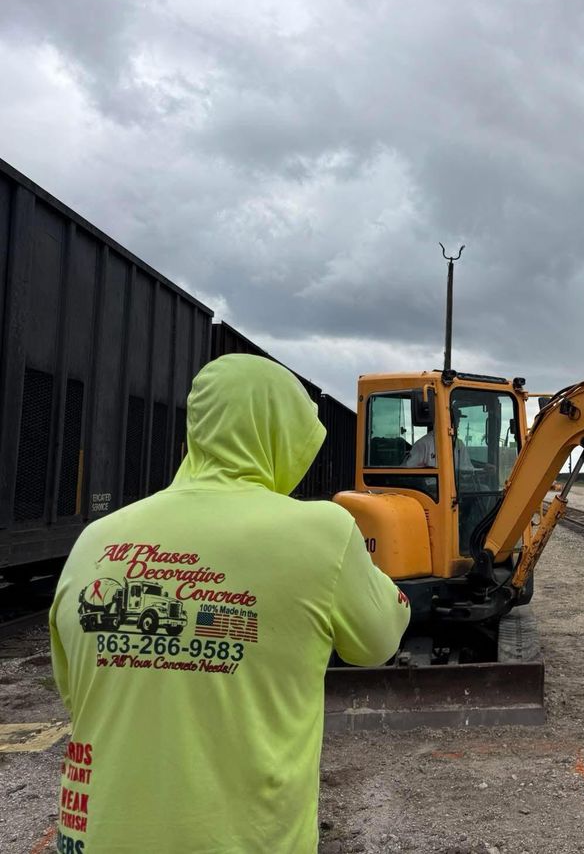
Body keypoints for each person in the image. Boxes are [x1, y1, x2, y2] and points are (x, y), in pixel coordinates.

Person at [49, 354, 410, 853]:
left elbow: (79, 693)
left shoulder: (96, 539)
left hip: (96, 836)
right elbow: (377, 642)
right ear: (283, 437)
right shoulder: (322, 531)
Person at [401, 409, 476, 472]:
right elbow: (408, 470)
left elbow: (467, 468)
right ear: (446, 420)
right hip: (429, 487)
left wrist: (483, 470)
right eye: (456, 420)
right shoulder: (424, 444)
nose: (458, 423)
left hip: (455, 485)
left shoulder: (459, 444)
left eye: (458, 420)